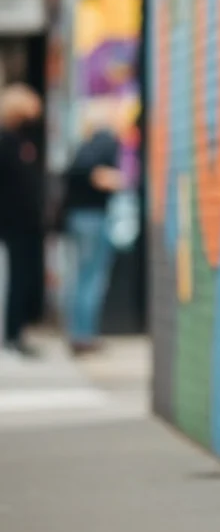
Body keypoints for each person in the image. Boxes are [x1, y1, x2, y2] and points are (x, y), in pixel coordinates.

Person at [62, 102, 123, 355]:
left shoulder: (84, 145)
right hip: (94, 218)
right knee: (92, 277)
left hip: (77, 218)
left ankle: (78, 333)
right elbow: (99, 175)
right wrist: (114, 180)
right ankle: (84, 335)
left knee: (80, 277)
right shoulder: (106, 142)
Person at [0, 84, 44, 355]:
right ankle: (13, 332)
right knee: (17, 277)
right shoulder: (6, 143)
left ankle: (18, 330)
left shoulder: (22, 140)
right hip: (14, 222)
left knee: (24, 277)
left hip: (25, 222)